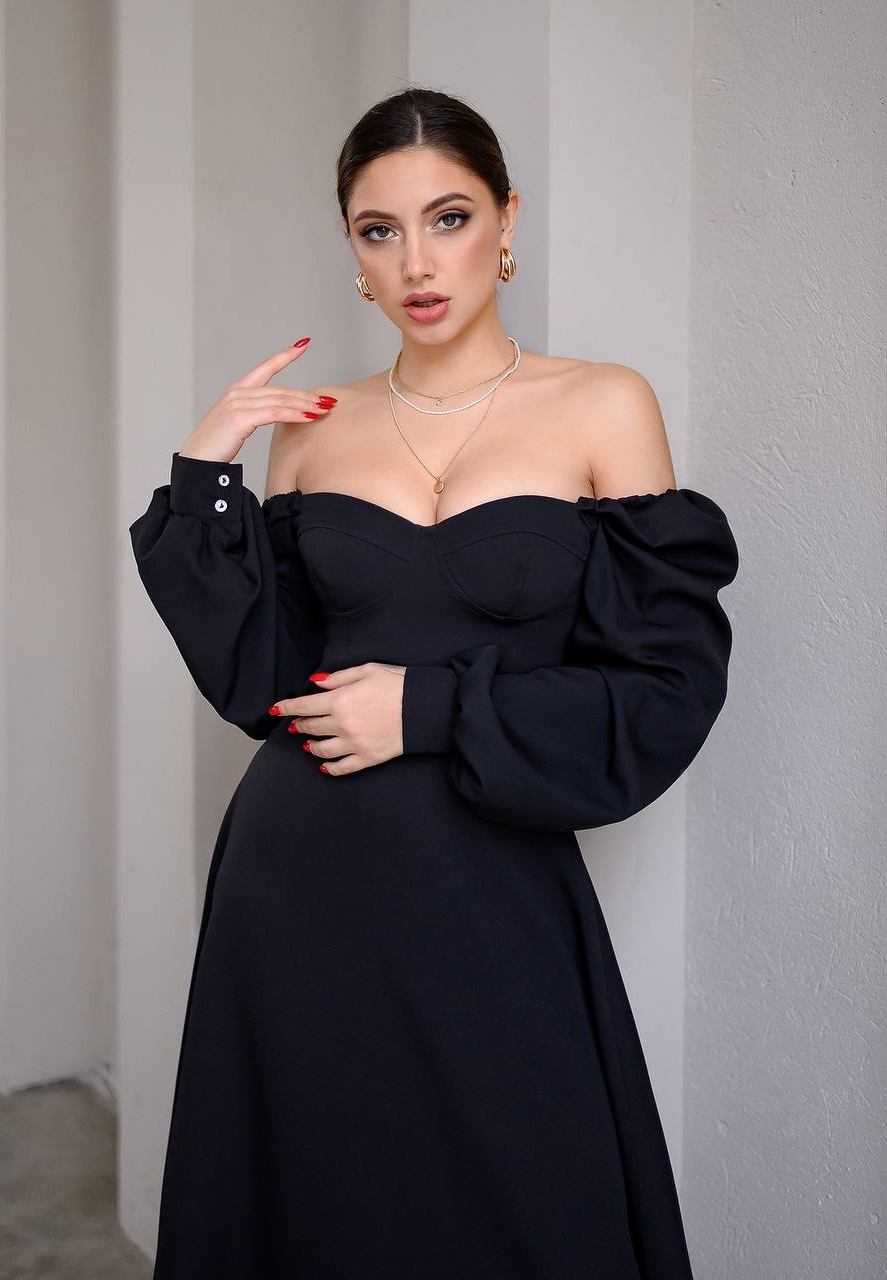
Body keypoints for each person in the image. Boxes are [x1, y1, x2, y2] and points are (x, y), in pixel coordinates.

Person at [129, 86, 738, 1279]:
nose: (416, 260)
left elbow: (663, 691)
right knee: (311, 1208)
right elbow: (261, 677)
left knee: (523, 1205)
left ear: (506, 220)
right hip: (296, 886)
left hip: (488, 881)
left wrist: (426, 705)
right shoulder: (315, 426)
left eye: (447, 217)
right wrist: (205, 473)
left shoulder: (603, 404)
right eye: (377, 229)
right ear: (351, 249)